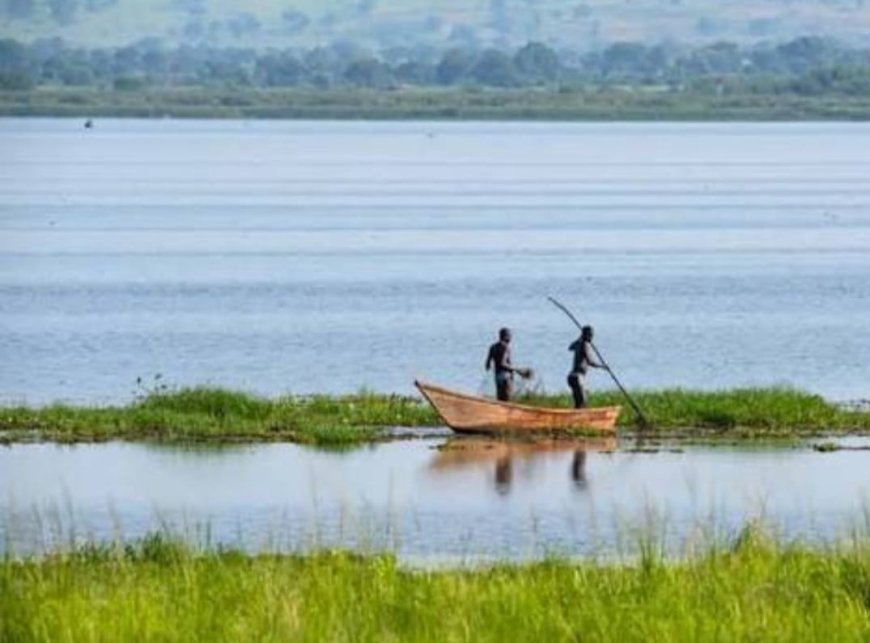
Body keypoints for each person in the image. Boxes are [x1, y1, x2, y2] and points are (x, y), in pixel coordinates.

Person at [567, 325, 604, 408]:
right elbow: (590, 362)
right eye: (590, 335)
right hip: (578, 377)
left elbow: (570, 347)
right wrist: (603, 366)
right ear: (585, 335)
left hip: (571, 377)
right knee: (583, 403)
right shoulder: (585, 344)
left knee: (578, 403)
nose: (591, 337)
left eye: (592, 335)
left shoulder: (578, 343)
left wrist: (580, 338)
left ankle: (576, 418)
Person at [485, 327, 518, 402]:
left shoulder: (493, 347)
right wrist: (516, 370)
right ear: (506, 336)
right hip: (505, 377)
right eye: (510, 336)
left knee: (500, 399)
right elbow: (503, 363)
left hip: (497, 376)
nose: (510, 339)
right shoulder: (505, 347)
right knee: (507, 399)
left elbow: (487, 365)